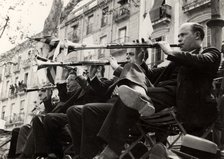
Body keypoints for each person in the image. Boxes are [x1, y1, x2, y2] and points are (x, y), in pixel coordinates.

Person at [92, 22, 221, 158]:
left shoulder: (211, 53)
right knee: (131, 72)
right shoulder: (176, 60)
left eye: (183, 35)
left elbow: (199, 60)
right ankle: (140, 96)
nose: (179, 39)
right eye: (178, 36)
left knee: (131, 95)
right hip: (162, 93)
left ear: (197, 35)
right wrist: (140, 61)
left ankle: (111, 150)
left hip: (183, 99)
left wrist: (171, 52)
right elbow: (152, 75)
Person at [66, 49, 140, 159]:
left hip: (124, 110)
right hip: (109, 108)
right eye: (127, 54)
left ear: (140, 57)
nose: (127, 57)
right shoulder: (116, 78)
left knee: (89, 109)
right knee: (73, 110)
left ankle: (88, 155)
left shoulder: (140, 73)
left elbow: (139, 80)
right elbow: (101, 90)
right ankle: (79, 154)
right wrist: (91, 75)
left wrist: (117, 68)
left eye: (131, 54)